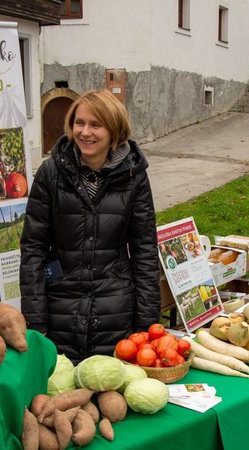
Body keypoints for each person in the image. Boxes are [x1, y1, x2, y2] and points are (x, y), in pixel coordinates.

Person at [20, 90, 160, 363]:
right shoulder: (51, 173)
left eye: (96, 125)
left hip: (115, 311)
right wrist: (35, 322)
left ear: (115, 131)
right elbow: (33, 249)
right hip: (60, 308)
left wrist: (146, 327)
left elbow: (144, 251)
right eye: (79, 123)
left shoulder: (134, 177)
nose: (85, 132)